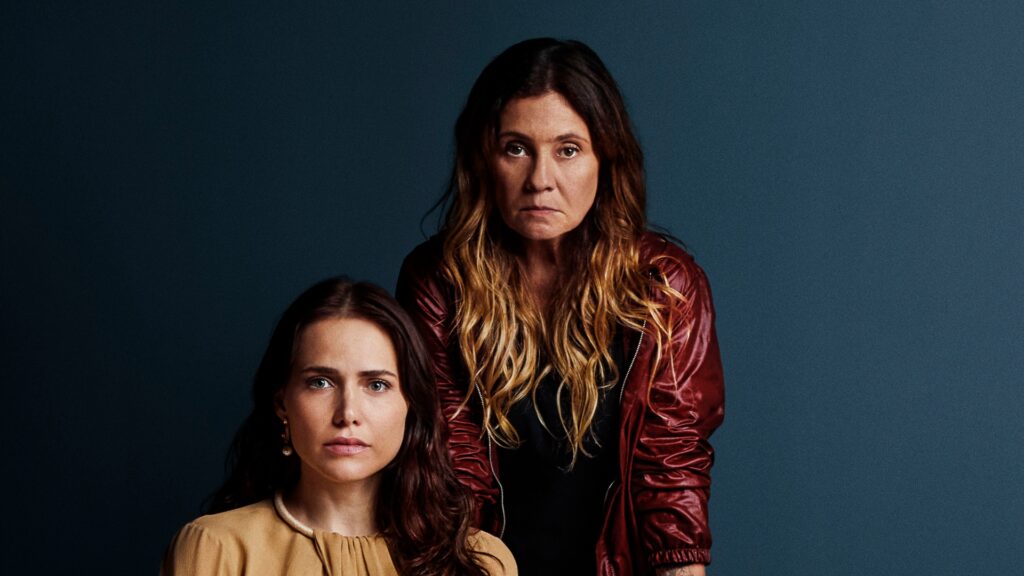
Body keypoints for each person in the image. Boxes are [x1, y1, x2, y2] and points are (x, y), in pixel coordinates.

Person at [397, 38, 725, 576]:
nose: (540, 180)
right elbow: (451, 460)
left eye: (568, 150)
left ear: (605, 159)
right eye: (516, 148)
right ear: (483, 159)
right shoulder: (440, 280)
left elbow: (670, 461)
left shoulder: (664, 284)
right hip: (484, 564)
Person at [162, 278, 516, 576]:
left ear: (411, 404)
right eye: (320, 382)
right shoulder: (215, 548)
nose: (348, 413)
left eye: (376, 384)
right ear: (282, 403)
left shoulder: (481, 560)